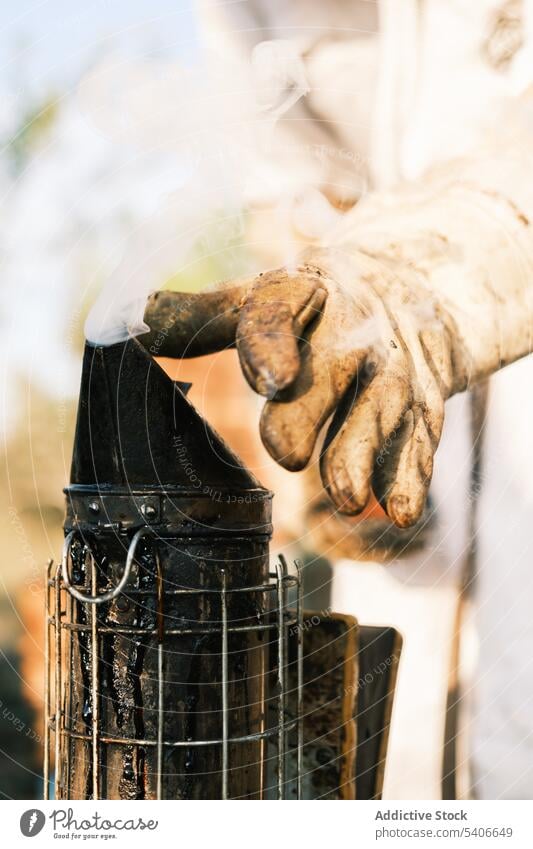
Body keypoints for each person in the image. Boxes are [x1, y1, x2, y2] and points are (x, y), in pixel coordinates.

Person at [140, 0, 533, 798]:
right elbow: (293, 185)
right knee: (393, 762)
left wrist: (440, 269)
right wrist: (304, 362)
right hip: (392, 385)